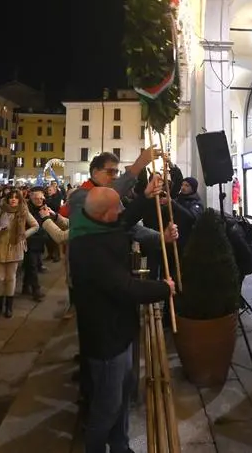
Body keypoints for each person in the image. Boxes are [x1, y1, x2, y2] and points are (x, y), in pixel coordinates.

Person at [70, 187, 176, 453]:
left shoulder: (96, 226)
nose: (121, 211)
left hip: (121, 332)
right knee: (106, 408)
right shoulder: (89, 248)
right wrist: (164, 288)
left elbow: (125, 220)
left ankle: (120, 446)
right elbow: (125, 287)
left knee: (121, 399)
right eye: (117, 207)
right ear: (106, 214)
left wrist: (146, 196)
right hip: (106, 340)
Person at [0, 190, 38, 316]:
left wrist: (24, 235)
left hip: (15, 247)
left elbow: (35, 226)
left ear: (20, 200)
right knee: (0, 278)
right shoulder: (1, 210)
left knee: (11, 278)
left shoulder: (23, 211)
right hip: (0, 246)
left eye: (16, 198)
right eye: (11, 197)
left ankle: (8, 307)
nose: (13, 200)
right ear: (7, 199)